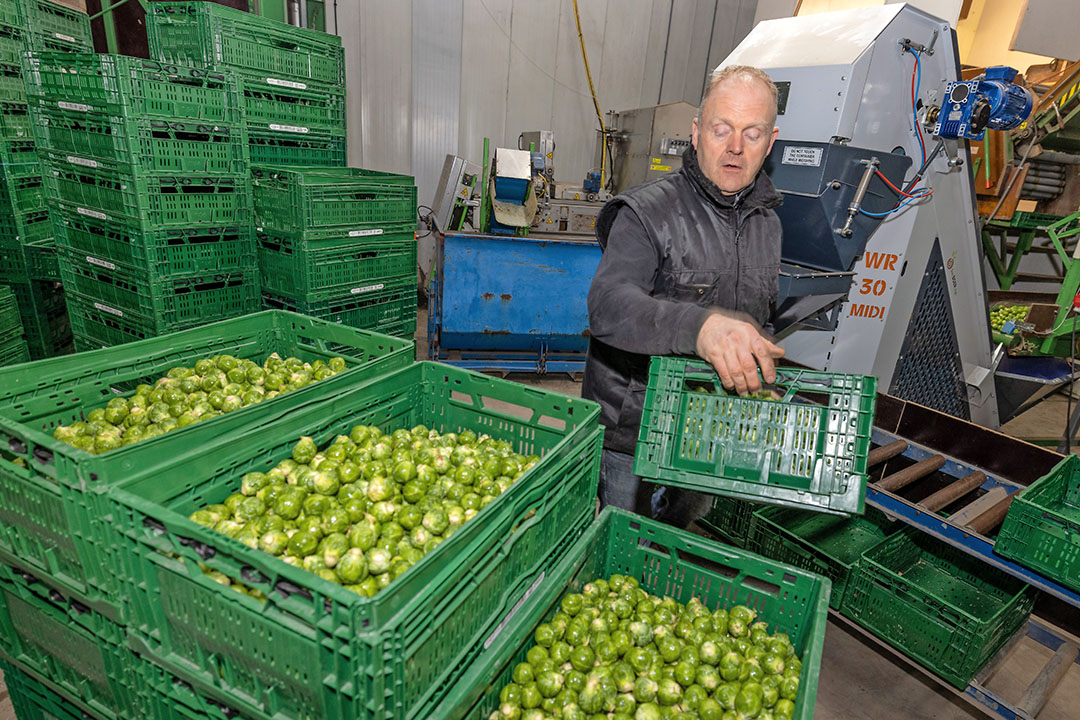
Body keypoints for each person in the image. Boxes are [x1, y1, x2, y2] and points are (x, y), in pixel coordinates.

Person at [582, 64, 786, 526]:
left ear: (770, 143)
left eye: (751, 133)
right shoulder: (645, 212)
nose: (735, 147)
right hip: (633, 428)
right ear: (696, 133)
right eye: (721, 129)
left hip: (708, 429)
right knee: (624, 547)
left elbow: (758, 310)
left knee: (678, 533)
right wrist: (702, 328)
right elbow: (608, 305)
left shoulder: (767, 222)